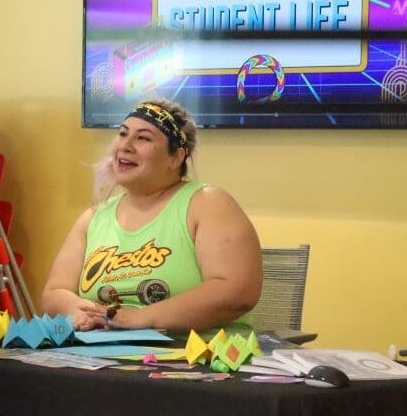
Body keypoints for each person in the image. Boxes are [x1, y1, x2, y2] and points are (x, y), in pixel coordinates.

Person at [41, 99, 262, 333]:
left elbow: (237, 292)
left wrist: (142, 318)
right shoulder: (94, 216)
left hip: (195, 358)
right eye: (123, 134)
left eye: (143, 138)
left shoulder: (208, 203)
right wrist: (84, 312)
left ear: (176, 157)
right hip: (102, 356)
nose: (125, 146)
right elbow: (55, 292)